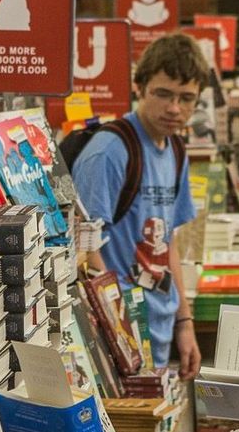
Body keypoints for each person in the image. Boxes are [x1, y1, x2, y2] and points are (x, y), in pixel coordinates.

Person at [72, 33, 206, 379]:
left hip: (158, 326)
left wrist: (184, 322)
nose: (175, 108)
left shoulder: (175, 150)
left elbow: (168, 242)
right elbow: (85, 249)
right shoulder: (110, 151)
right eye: (163, 93)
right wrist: (117, 328)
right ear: (139, 87)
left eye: (186, 98)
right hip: (116, 333)